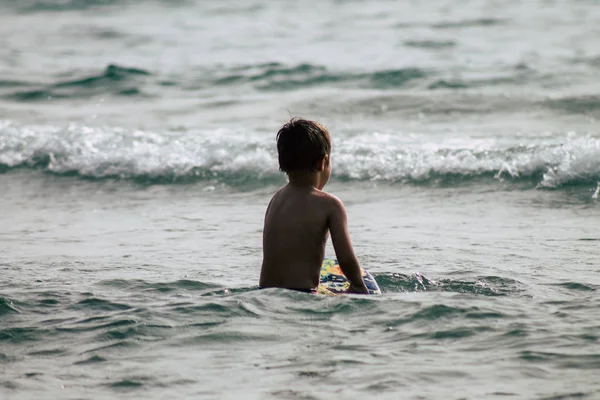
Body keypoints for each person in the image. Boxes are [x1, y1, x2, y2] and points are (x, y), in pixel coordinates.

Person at [259, 118, 369, 294]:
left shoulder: (276, 199)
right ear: (322, 162)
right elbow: (346, 259)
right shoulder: (330, 204)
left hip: (265, 293)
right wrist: (358, 285)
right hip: (302, 295)